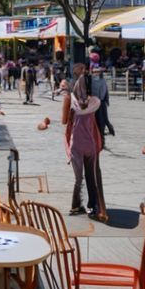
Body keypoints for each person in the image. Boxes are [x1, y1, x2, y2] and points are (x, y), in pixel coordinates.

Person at [62, 64, 106, 220]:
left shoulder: (70, 101)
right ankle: (92, 206)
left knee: (78, 179)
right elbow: (99, 124)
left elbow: (64, 121)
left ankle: (76, 205)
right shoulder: (95, 103)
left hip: (76, 145)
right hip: (91, 144)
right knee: (91, 176)